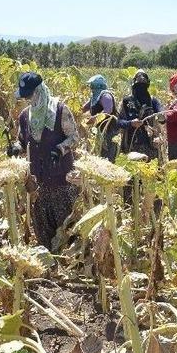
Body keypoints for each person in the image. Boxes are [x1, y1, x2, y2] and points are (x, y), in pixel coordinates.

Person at [15, 72, 80, 251]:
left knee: (66, 226)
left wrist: (60, 149)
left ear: (39, 90)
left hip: (61, 179)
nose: (28, 99)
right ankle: (50, 264)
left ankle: (69, 261)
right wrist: (15, 147)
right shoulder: (25, 116)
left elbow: (74, 137)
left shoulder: (59, 110)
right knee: (43, 226)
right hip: (38, 181)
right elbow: (21, 141)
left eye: (30, 94)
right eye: (25, 96)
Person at [117, 69, 162, 159]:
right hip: (131, 145)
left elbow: (162, 117)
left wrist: (161, 117)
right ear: (134, 84)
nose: (141, 87)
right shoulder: (126, 101)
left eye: (144, 84)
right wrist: (130, 123)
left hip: (150, 145)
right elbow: (118, 122)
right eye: (139, 84)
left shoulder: (153, 101)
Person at [81, 75, 120, 162]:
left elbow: (108, 111)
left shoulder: (106, 95)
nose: (91, 89)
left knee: (108, 155)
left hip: (110, 130)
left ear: (98, 86)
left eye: (93, 86)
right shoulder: (94, 97)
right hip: (99, 130)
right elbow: (84, 108)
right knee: (99, 153)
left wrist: (94, 119)